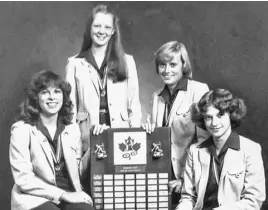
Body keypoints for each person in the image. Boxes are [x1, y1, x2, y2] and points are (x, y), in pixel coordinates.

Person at [9, 70, 94, 210]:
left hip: (69, 193)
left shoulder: (72, 129)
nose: (52, 97)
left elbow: (78, 170)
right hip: (34, 198)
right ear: (36, 97)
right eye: (44, 92)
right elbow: (24, 179)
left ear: (63, 96)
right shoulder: (21, 130)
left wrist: (98, 144)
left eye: (57, 91)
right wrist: (63, 194)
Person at [65, 4, 142, 153]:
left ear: (113, 31)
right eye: (97, 26)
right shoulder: (74, 63)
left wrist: (134, 138)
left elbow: (135, 106)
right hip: (87, 139)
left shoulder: (127, 61)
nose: (102, 31)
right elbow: (70, 110)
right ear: (90, 28)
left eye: (107, 27)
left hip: (122, 139)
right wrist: (74, 146)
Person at [142, 41, 209, 207]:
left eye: (173, 64)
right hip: (162, 176)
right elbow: (157, 139)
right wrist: (147, 130)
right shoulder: (156, 96)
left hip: (188, 177)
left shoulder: (198, 90)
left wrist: (186, 180)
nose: (167, 70)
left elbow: (205, 143)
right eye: (162, 65)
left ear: (183, 65)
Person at [176, 88, 266, 210]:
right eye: (208, 117)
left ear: (231, 115)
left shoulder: (250, 150)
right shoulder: (195, 151)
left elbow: (253, 201)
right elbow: (188, 197)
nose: (214, 123)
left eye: (220, 115)